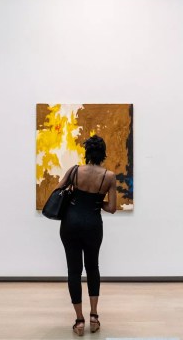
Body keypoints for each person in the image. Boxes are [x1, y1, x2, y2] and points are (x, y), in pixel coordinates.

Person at [55, 135, 118, 336]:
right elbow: (112, 208)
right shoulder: (109, 176)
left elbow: (57, 190)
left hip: (70, 224)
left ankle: (79, 321)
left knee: (74, 271)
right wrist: (96, 202)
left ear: (87, 152)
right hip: (93, 224)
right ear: (103, 154)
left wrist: (75, 196)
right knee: (92, 268)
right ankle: (94, 317)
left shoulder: (75, 171)